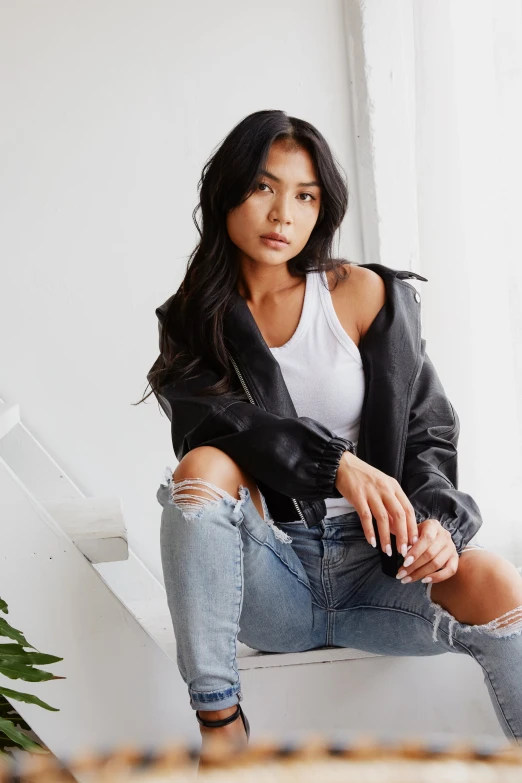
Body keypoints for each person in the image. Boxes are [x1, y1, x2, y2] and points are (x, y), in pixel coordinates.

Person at [137, 110, 522, 755]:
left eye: (304, 195)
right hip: (273, 577)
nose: (282, 213)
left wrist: (434, 527)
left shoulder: (366, 295)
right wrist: (335, 464)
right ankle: (221, 729)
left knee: (498, 581)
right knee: (203, 466)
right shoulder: (191, 320)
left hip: (383, 572)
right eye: (264, 188)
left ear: (322, 208)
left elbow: (428, 429)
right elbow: (219, 423)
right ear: (226, 191)